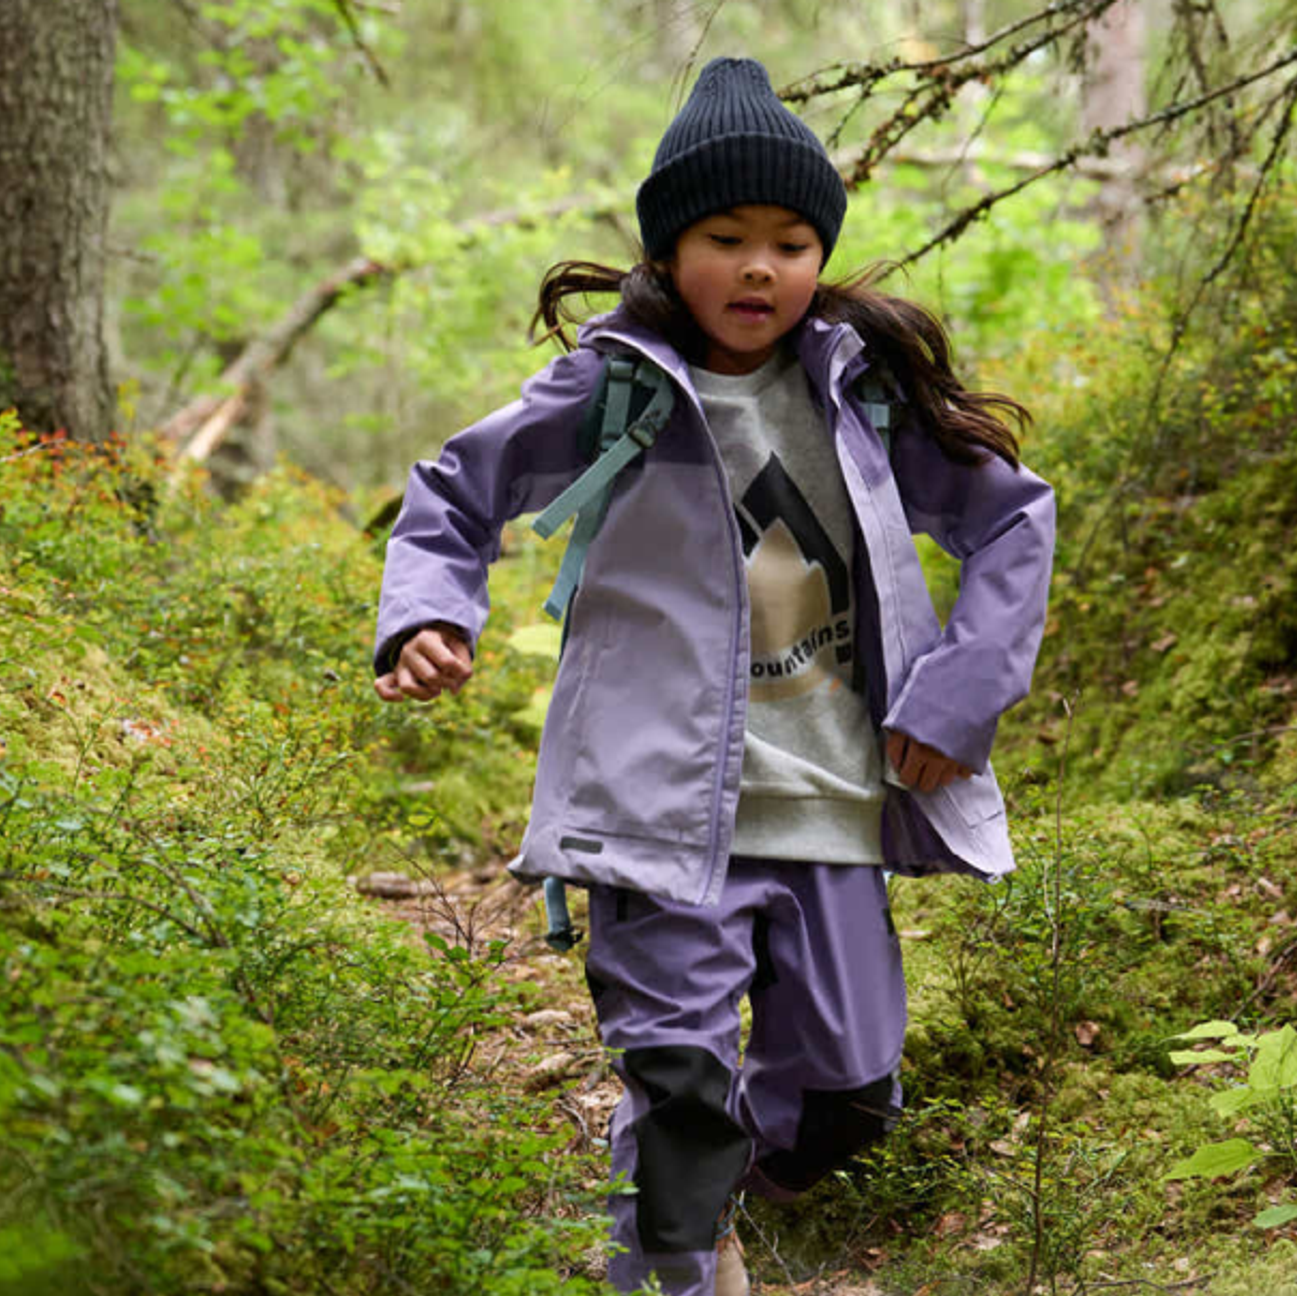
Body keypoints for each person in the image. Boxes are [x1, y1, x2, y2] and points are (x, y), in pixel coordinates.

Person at [373, 56, 1055, 1296]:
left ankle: (712, 1197)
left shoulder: (866, 399)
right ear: (667, 253)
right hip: (657, 814)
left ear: (818, 255)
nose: (758, 268)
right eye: (724, 237)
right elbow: (450, 494)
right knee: (680, 1087)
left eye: (789, 242)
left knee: (849, 1096)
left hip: (835, 804)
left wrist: (960, 696)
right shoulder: (615, 392)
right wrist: (426, 616)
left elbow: (1012, 524)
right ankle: (677, 1244)